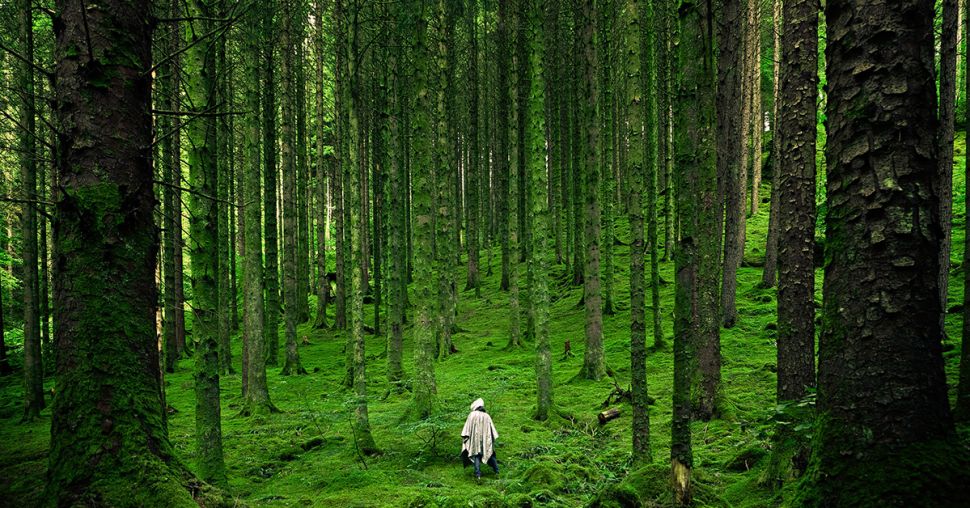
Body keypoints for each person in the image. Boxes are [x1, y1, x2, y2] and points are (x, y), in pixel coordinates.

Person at [460, 398, 499, 480]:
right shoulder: (487, 416)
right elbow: (492, 429)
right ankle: (497, 472)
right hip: (486, 438)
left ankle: (478, 475)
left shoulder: (472, 415)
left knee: (476, 455)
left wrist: (466, 437)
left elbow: (467, 428)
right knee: (490, 453)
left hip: (475, 439)